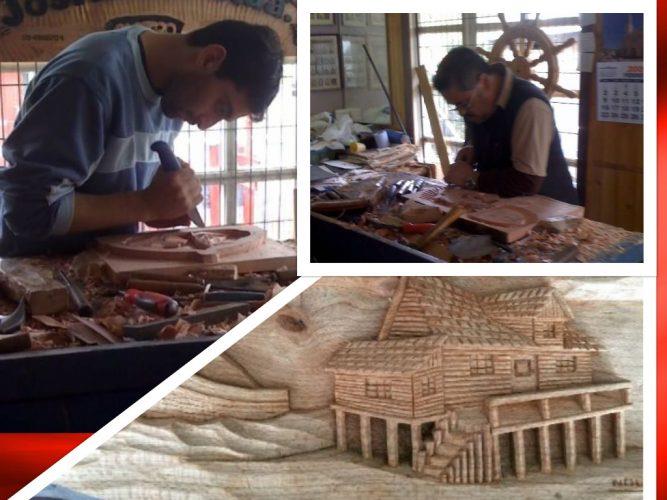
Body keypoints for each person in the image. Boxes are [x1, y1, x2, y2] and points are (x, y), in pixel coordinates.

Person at [0, 20, 283, 256]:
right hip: (37, 277)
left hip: (101, 268)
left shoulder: (175, 91)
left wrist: (163, 203)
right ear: (210, 58)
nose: (205, 125)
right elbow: (27, 213)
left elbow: (111, 190)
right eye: (221, 107)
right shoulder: (86, 79)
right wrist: (145, 204)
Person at [432, 46, 579, 205]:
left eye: (464, 104)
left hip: (552, 214)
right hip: (504, 207)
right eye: (456, 106)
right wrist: (474, 148)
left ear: (485, 81)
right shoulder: (476, 104)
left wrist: (471, 178)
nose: (461, 113)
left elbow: (527, 183)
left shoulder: (530, 106)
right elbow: (491, 135)